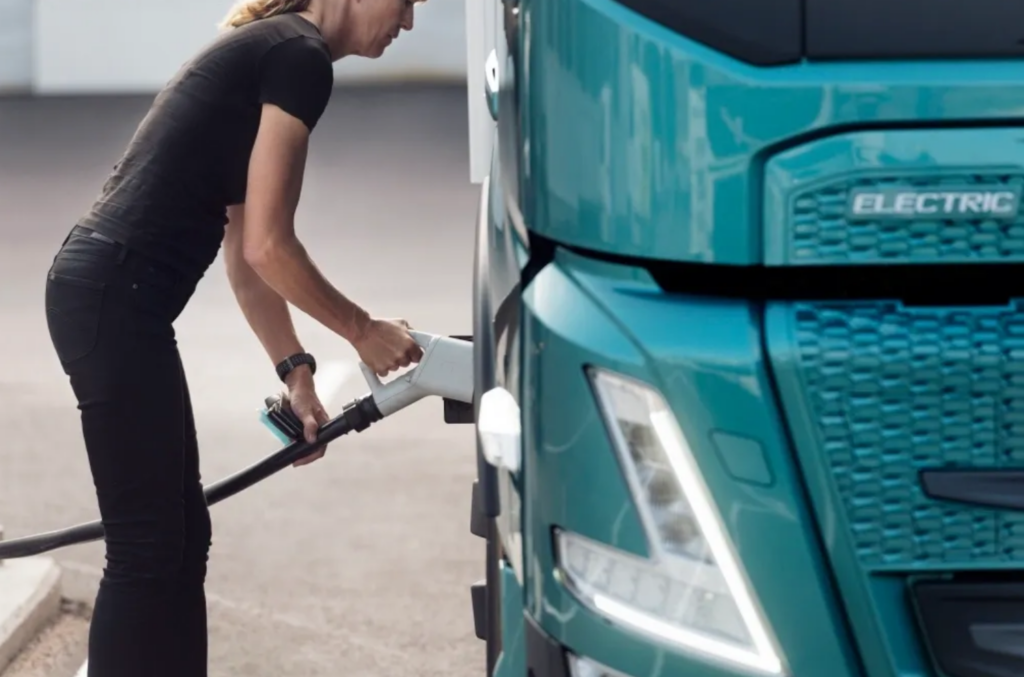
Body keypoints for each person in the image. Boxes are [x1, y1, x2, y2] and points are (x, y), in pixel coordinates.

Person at [42, 1, 425, 675]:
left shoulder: (278, 50)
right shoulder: (299, 59)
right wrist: (363, 330)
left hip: (108, 298)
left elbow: (249, 258)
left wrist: (297, 375)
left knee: (181, 540)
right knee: (148, 547)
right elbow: (270, 246)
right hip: (112, 299)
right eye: (409, 0)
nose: (411, 21)